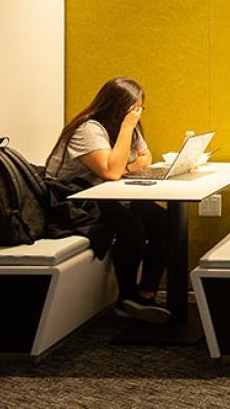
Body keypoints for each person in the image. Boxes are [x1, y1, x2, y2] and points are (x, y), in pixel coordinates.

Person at [45, 77, 171, 324]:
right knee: (133, 229)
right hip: (73, 201)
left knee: (164, 221)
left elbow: (146, 156)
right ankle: (126, 299)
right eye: (135, 109)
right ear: (118, 107)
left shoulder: (127, 128)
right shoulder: (88, 129)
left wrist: (126, 163)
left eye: (140, 108)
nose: (139, 114)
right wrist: (126, 131)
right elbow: (112, 172)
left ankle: (146, 294)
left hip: (106, 194)